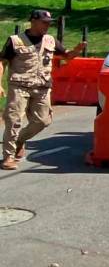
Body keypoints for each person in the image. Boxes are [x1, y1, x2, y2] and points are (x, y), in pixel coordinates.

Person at [0, 10, 86, 170]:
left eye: (49, 23)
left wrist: (76, 50)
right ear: (33, 21)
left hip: (42, 87)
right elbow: (2, 62)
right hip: (19, 86)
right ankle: (8, 157)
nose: (47, 25)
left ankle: (20, 140)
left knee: (43, 121)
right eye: (44, 22)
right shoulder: (16, 41)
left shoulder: (50, 40)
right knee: (13, 120)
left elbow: (66, 56)